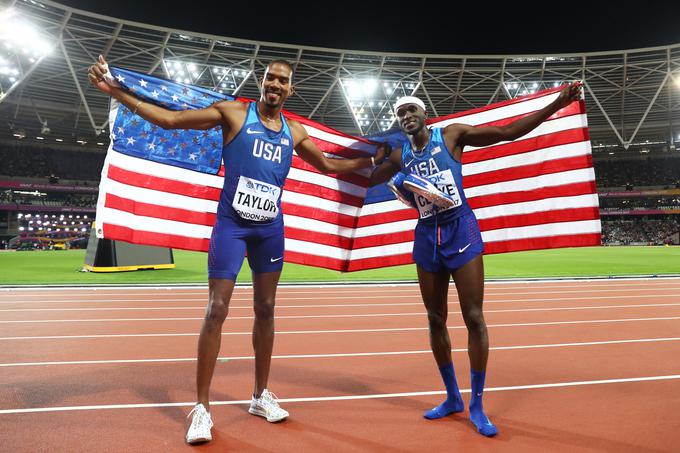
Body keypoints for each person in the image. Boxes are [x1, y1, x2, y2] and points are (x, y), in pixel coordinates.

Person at [88, 56, 388, 445]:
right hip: (232, 227)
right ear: (262, 81)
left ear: (290, 89)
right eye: (270, 78)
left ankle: (261, 396)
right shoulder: (234, 113)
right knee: (217, 309)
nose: (275, 85)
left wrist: (371, 160)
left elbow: (329, 166)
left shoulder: (294, 132)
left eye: (283, 81)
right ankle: (202, 409)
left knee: (266, 309)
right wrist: (117, 92)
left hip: (270, 231)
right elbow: (170, 121)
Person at [370, 84, 582, 437]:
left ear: (425, 115)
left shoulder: (451, 135)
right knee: (435, 318)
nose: (407, 116)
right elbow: (364, 178)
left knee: (474, 317)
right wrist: (374, 161)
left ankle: (477, 404)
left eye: (412, 110)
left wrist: (557, 104)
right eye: (400, 113)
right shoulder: (399, 155)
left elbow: (507, 132)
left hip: (461, 230)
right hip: (427, 237)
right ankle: (452, 397)